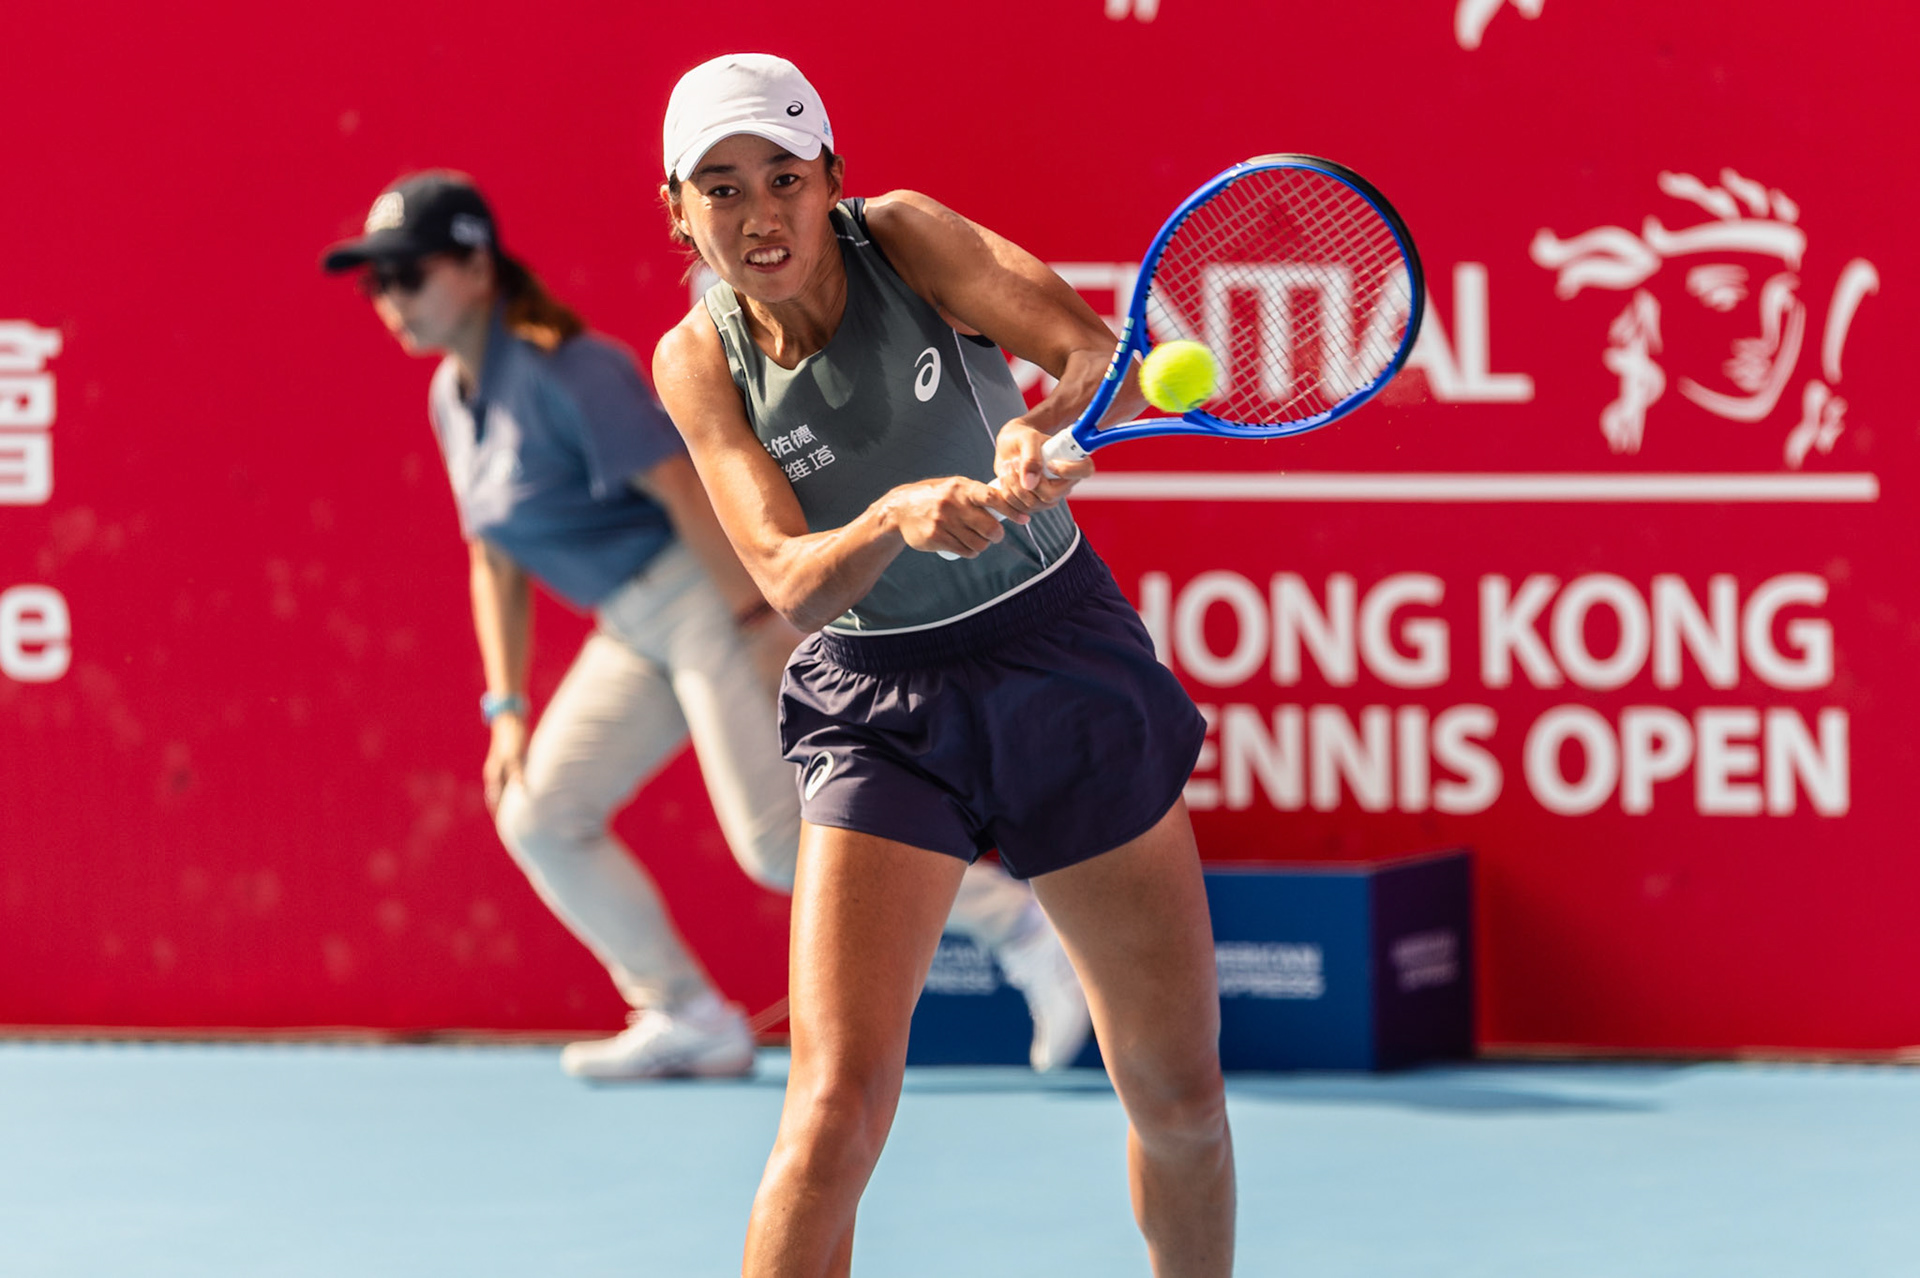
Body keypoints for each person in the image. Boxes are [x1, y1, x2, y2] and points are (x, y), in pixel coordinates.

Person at [651, 54, 1235, 1277]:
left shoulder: (905, 236)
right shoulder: (696, 361)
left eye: (784, 178)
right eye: (720, 188)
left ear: (832, 183)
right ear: (679, 209)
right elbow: (783, 575)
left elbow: (1093, 355)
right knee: (831, 1114)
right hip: (879, 704)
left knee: (1176, 1099)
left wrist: (1040, 427)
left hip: (1055, 656)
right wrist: (889, 517)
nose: (759, 215)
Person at [319, 172, 1091, 1081]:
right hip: (631, 626)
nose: (390, 298)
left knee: (772, 845)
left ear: (477, 267)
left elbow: (687, 490)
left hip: (703, 598)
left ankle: (1024, 927)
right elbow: (494, 556)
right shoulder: (454, 399)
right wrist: (507, 706)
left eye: (407, 274)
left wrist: (754, 621)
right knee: (539, 810)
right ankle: (687, 1013)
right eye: (377, 283)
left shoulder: (571, 369)